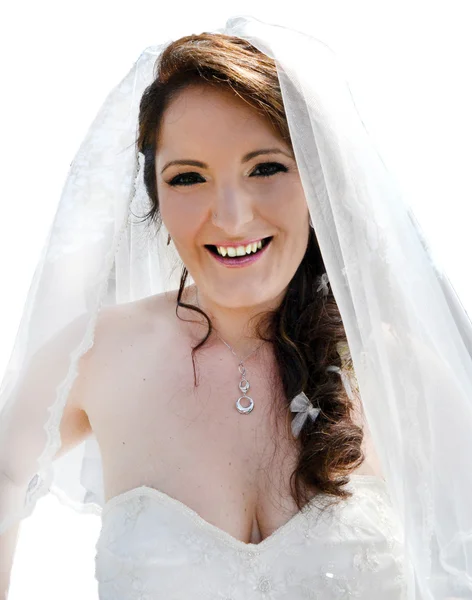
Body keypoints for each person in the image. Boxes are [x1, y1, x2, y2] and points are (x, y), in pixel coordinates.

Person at [1, 15, 472, 600]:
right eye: (188, 177)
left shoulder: (399, 371)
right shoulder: (95, 357)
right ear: (154, 197)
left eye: (266, 168)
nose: (230, 217)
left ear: (316, 183)